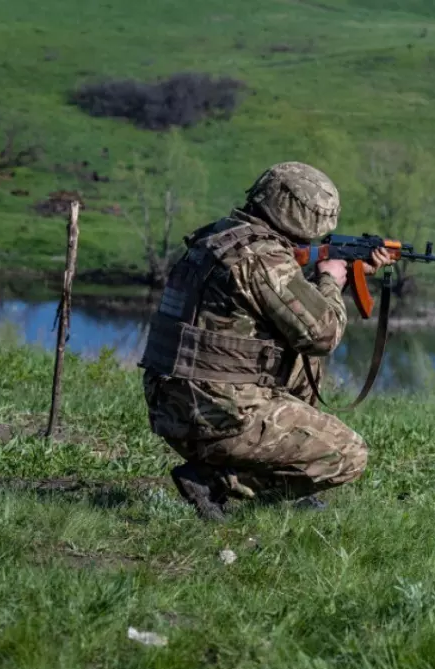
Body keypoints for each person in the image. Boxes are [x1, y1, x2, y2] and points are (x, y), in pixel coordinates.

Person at [137, 161, 394, 521]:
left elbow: (268, 305)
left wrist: (333, 277)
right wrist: (332, 282)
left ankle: (266, 463)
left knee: (302, 360)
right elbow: (323, 334)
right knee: (348, 456)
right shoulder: (264, 258)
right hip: (218, 416)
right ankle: (216, 481)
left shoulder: (216, 237)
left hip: (171, 405)